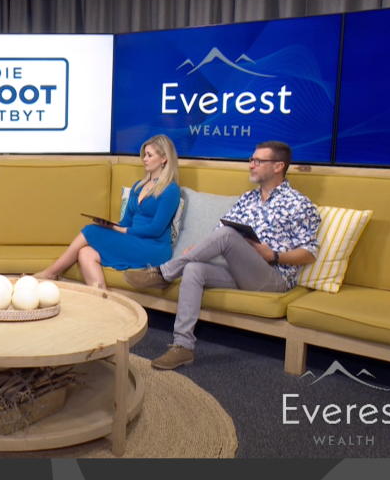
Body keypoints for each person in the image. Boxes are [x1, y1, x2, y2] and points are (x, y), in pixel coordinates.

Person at [124, 141, 321, 370]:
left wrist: (274, 255)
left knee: (228, 235)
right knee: (193, 269)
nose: (251, 165)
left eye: (258, 161)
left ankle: (163, 273)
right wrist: (196, 250)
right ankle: (183, 347)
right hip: (240, 272)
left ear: (278, 166)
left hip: (273, 276)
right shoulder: (248, 199)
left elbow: (309, 253)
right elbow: (218, 232)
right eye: (251, 160)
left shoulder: (299, 204)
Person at [34, 135, 181, 288]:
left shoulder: (170, 190)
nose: (144, 159)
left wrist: (120, 230)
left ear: (164, 159)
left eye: (149, 155)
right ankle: (104, 301)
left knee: (90, 231)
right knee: (85, 253)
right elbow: (126, 222)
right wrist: (110, 226)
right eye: (144, 154)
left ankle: (50, 274)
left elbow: (156, 229)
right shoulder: (138, 186)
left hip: (153, 248)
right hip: (133, 241)